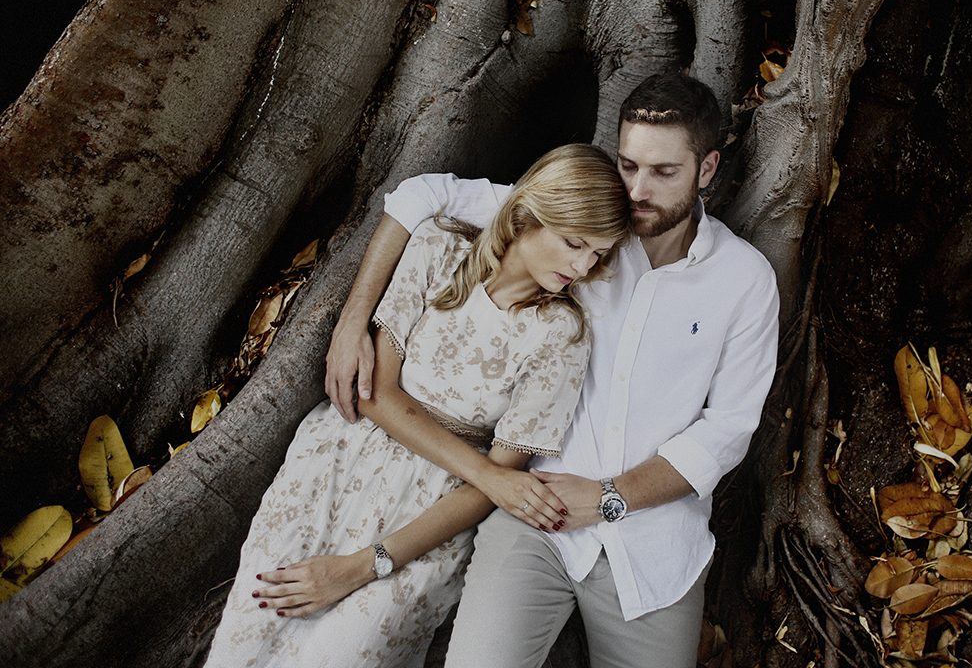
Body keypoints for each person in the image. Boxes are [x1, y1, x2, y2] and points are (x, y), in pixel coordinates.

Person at [326, 71, 780, 668]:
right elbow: (422, 195)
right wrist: (352, 319)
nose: (638, 190)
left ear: (708, 169)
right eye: (628, 166)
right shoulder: (582, 231)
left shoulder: (744, 281)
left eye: (663, 173)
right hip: (532, 517)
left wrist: (610, 498)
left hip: (655, 544)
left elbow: (727, 430)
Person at [204, 143, 631, 668]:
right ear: (525, 216)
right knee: (246, 640)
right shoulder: (438, 250)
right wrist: (492, 478)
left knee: (340, 656)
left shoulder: (563, 336)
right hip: (335, 465)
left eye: (598, 253)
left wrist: (366, 565)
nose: (583, 266)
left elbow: (495, 486)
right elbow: (378, 395)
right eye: (574, 243)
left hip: (434, 516)